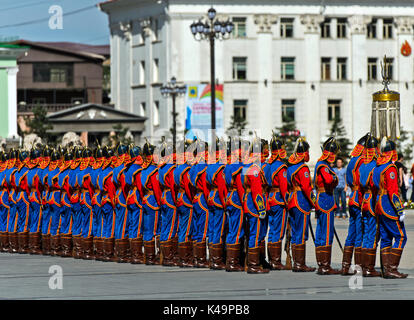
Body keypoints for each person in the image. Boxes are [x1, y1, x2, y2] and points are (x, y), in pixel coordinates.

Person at [374, 138, 407, 279]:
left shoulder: (377, 167)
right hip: (388, 206)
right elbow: (393, 191)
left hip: (378, 204)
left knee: (386, 238)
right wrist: (399, 209)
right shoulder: (390, 168)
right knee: (401, 236)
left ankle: (386, 269)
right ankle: (392, 269)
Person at [286, 138, 316, 273]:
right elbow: (306, 187)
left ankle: (296, 262)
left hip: (291, 200)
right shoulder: (302, 167)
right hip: (300, 201)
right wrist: (313, 202)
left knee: (295, 231)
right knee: (301, 232)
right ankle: (299, 264)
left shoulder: (290, 166)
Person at [341, 134, 368, 275]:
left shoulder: (352, 160)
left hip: (352, 197)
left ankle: (345, 266)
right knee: (359, 233)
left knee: (351, 233)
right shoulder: (362, 160)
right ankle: (358, 266)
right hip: (360, 197)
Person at [314, 137, 341, 275]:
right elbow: (330, 179)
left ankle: (322, 264)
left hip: (324, 198)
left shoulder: (322, 164)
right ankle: (325, 265)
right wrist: (335, 178)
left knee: (321, 232)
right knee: (326, 233)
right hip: (326, 199)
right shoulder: (323, 166)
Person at [263, 136, 289, 270]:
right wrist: (287, 201)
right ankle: (276, 261)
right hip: (279, 199)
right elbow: (284, 187)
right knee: (278, 231)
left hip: (270, 198)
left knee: (271, 231)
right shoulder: (281, 167)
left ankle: (271, 259)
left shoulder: (268, 165)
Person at [359, 134, 381, 277]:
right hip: (372, 199)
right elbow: (376, 184)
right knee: (372, 234)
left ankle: (364, 265)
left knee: (366, 233)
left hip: (364, 200)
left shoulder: (363, 165)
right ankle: (369, 268)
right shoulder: (374, 165)